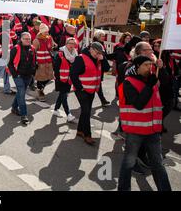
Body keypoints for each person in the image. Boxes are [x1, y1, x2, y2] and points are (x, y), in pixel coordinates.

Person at [117, 55, 171, 191]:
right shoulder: (128, 82)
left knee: (158, 164)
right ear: (137, 67)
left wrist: (162, 68)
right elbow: (139, 104)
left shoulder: (152, 78)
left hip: (153, 131)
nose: (149, 68)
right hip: (135, 132)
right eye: (146, 65)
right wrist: (149, 85)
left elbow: (166, 82)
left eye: (150, 65)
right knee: (128, 163)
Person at [70, 42, 105, 145]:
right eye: (97, 52)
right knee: (86, 111)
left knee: (86, 111)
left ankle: (80, 130)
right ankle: (87, 135)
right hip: (81, 90)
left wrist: (103, 59)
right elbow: (73, 74)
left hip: (92, 90)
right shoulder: (80, 58)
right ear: (91, 49)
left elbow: (107, 68)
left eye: (100, 53)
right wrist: (80, 88)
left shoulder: (98, 58)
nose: (98, 54)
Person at [7, 32, 36, 124]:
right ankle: (24, 115)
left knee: (20, 92)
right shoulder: (15, 49)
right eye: (26, 39)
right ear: (21, 39)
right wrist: (15, 74)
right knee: (22, 93)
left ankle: (14, 107)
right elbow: (10, 63)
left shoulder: (32, 48)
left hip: (28, 75)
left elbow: (34, 62)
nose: (28, 41)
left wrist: (33, 72)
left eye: (29, 39)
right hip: (18, 75)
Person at [53, 37, 77, 123]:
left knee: (62, 94)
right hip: (61, 78)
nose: (71, 45)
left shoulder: (75, 53)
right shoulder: (60, 53)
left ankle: (56, 110)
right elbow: (55, 67)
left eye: (73, 44)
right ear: (66, 44)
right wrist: (57, 78)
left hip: (69, 79)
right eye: (70, 43)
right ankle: (68, 114)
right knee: (64, 96)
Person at [33, 23, 55, 101]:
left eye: (47, 31)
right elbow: (33, 52)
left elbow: (52, 46)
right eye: (45, 31)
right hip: (40, 62)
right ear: (41, 31)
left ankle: (40, 88)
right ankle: (40, 91)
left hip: (48, 61)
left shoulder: (49, 38)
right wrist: (34, 62)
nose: (47, 33)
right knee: (40, 77)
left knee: (49, 77)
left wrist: (54, 46)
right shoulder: (36, 40)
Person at [0, 27, 15, 95]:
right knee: (0, 73)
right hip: (2, 57)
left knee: (6, 74)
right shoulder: (4, 35)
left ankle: (6, 89)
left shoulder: (4, 35)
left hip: (3, 57)